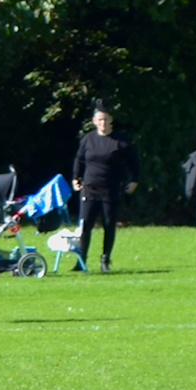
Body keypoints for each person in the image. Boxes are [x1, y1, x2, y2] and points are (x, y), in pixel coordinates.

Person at [70, 101, 137, 272]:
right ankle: (81, 261)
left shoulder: (120, 141)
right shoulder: (88, 139)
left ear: (111, 120)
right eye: (99, 120)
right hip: (89, 189)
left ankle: (105, 260)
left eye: (105, 119)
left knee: (109, 225)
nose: (103, 123)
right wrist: (75, 178)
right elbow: (79, 159)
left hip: (110, 190)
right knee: (85, 227)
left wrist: (134, 180)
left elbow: (134, 162)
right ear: (94, 120)